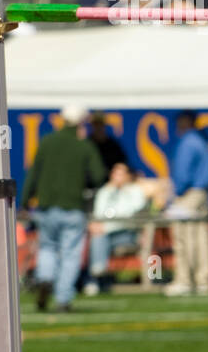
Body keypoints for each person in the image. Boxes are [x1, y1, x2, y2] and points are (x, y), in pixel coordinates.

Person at [23, 104, 107, 312]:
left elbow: (33, 174)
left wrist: (24, 202)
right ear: (81, 122)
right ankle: (63, 298)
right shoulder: (84, 146)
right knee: (70, 253)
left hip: (47, 207)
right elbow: (98, 176)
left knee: (47, 248)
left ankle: (44, 278)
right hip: (73, 207)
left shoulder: (47, 142)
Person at [166, 110, 208, 296]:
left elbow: (182, 174)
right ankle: (203, 280)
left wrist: (176, 193)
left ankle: (185, 280)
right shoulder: (201, 141)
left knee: (184, 238)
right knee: (200, 237)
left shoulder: (188, 141)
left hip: (189, 194)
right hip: (201, 193)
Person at [84, 162, 148, 295]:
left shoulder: (135, 191)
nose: (117, 177)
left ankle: (94, 278)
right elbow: (98, 214)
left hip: (128, 234)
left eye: (121, 174)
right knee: (96, 238)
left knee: (99, 237)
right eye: (115, 173)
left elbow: (129, 215)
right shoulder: (105, 191)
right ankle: (96, 275)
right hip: (106, 234)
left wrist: (105, 227)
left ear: (127, 176)